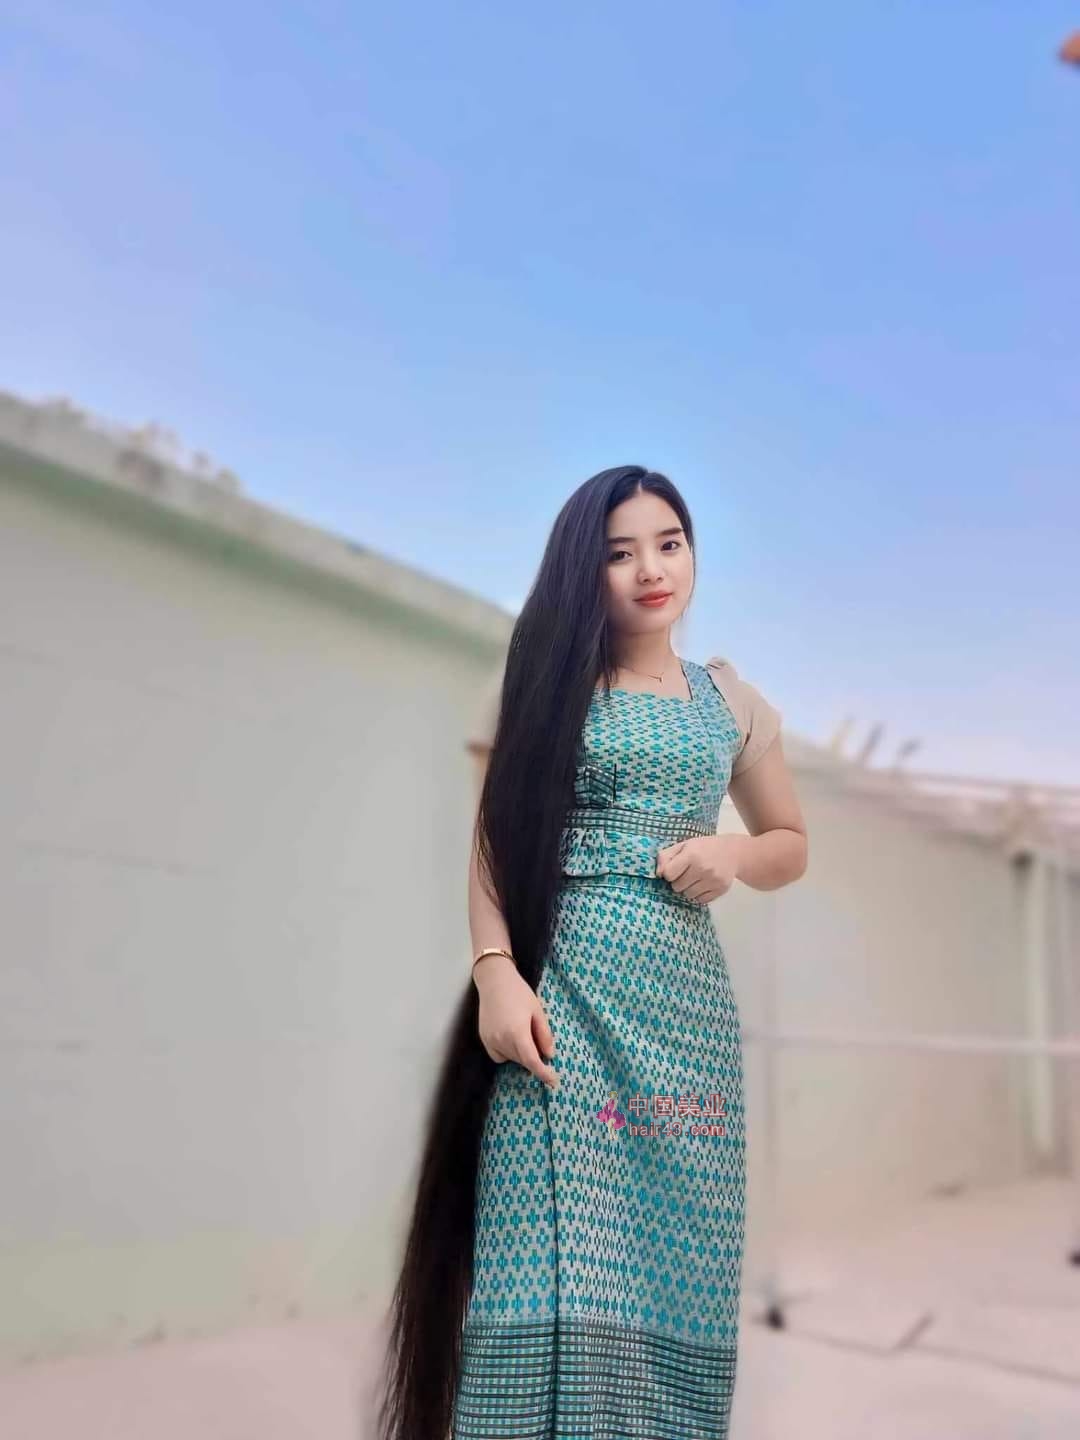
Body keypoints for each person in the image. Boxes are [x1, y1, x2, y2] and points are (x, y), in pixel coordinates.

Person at [379, 465, 808, 1440]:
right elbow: (493, 838)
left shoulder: (730, 699)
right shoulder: (543, 681)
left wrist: (733, 854)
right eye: (621, 553)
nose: (652, 570)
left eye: (670, 543)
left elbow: (791, 843)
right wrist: (495, 972)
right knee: (530, 1263)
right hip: (558, 1004)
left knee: (674, 1258)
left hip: (682, 1022)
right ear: (586, 568)